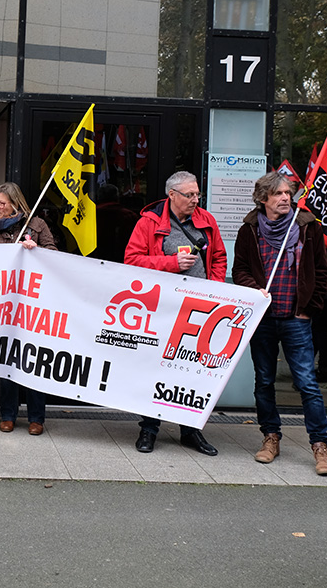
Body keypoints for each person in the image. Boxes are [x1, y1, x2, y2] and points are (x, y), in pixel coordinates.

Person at [232, 171, 327, 476]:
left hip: (296, 319)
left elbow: (322, 272)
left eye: (288, 193)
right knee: (264, 381)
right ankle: (270, 437)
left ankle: (320, 445)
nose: (285, 198)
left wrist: (309, 309)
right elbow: (240, 270)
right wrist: (254, 289)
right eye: (278, 193)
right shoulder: (249, 230)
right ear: (263, 198)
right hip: (263, 320)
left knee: (307, 383)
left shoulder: (307, 227)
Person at [124, 171, 225, 457]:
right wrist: (171, 263)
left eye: (197, 194)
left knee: (192, 371)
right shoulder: (149, 222)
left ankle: (190, 429)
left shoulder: (207, 221)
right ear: (172, 195)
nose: (195, 200)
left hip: (199, 309)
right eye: (189, 195)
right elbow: (131, 260)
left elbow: (219, 257)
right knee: (156, 368)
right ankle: (149, 428)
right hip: (162, 309)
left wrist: (214, 288)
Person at [0, 182, 56, 435]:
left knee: (33, 359)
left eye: (1, 203)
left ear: (15, 203)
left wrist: (37, 251)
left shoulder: (37, 225)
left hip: (33, 303)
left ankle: (37, 418)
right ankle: (8, 415)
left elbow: (54, 253)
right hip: (5, 303)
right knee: (6, 358)